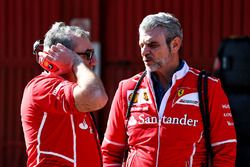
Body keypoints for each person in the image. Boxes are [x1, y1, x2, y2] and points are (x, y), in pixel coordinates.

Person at [101, 12, 237, 167]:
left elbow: (225, 151)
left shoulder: (208, 88)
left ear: (175, 45)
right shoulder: (127, 89)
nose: (144, 52)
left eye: (152, 45)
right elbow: (110, 152)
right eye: (141, 45)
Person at [21, 22, 108, 167]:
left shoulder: (75, 90)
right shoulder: (41, 86)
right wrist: (76, 61)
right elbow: (97, 97)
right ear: (61, 54)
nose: (94, 61)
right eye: (88, 54)